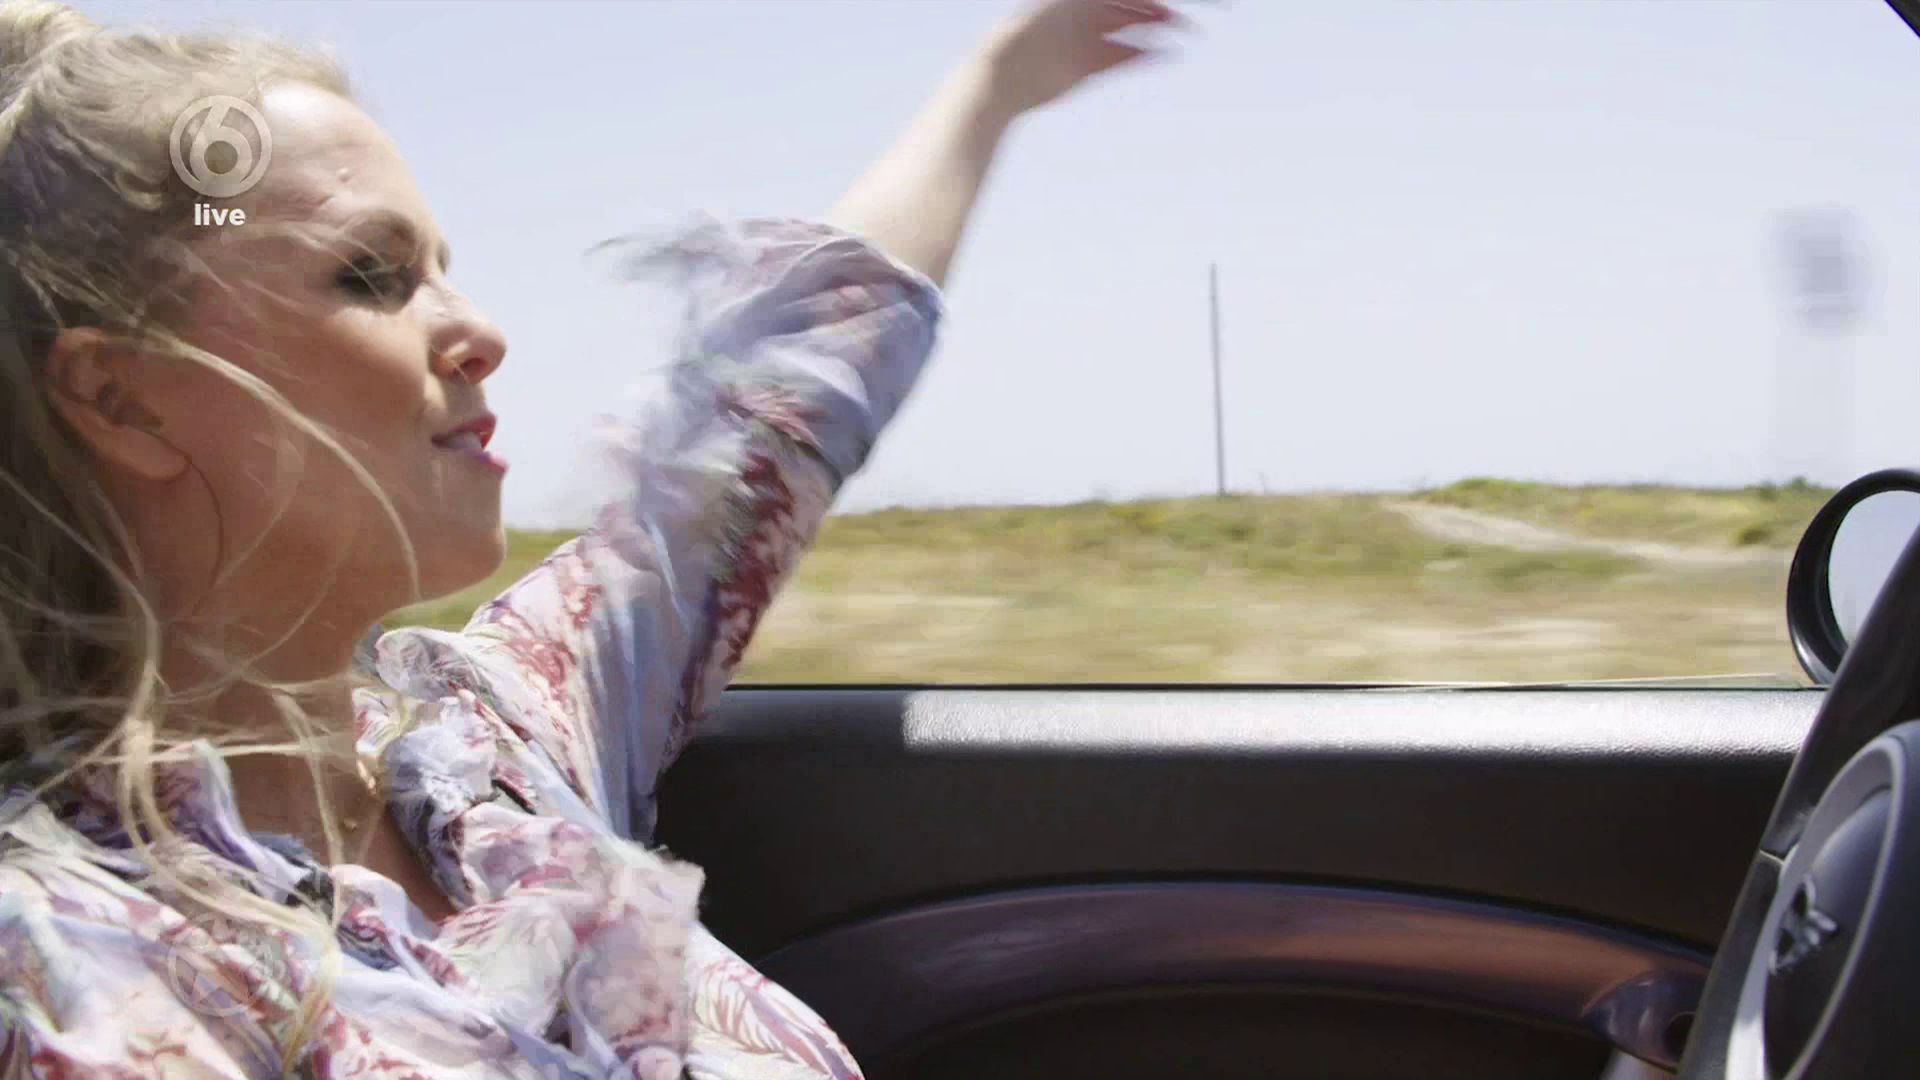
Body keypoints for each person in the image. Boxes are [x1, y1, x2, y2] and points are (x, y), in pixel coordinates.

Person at [0, 0, 1189, 1075]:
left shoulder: (493, 743)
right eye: (371, 274)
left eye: (442, 269)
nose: (479, 331)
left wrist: (998, 83)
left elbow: (761, 422)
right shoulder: (79, 966)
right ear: (122, 398)